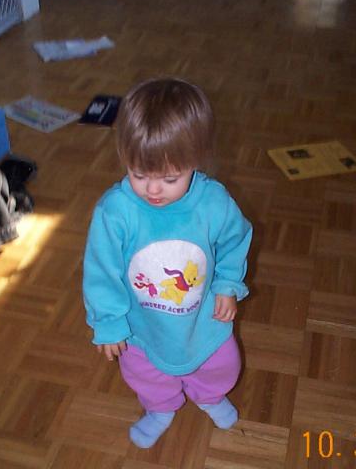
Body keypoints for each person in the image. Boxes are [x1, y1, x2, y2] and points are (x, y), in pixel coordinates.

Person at [82, 78, 253, 449]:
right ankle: (160, 408)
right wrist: (107, 322)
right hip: (143, 326)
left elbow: (235, 240)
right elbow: (101, 271)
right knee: (145, 373)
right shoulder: (115, 212)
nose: (153, 189)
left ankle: (209, 396)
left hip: (203, 320)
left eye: (170, 178)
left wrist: (227, 283)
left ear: (196, 159)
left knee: (221, 363)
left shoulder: (213, 202)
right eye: (139, 174)